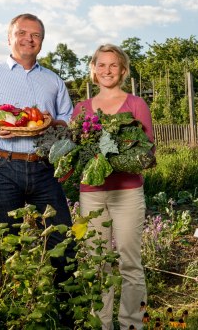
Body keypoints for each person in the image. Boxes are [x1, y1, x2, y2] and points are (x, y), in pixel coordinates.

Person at [0, 13, 75, 325]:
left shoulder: (53, 80)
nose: (29, 39)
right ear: (9, 38)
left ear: (42, 42)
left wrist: (55, 123)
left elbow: (69, 119)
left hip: (43, 169)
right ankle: (5, 312)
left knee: (61, 240)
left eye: (36, 35)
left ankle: (65, 313)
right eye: (22, 33)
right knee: (3, 242)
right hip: (2, 168)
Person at [73, 44, 154, 330]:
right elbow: (75, 151)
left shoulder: (136, 105)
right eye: (102, 65)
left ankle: (133, 324)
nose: (107, 70)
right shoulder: (81, 109)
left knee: (131, 263)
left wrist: (114, 158)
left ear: (123, 70)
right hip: (91, 195)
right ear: (93, 70)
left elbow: (146, 152)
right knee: (96, 264)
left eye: (114, 65)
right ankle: (101, 324)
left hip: (127, 193)